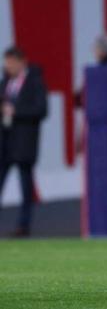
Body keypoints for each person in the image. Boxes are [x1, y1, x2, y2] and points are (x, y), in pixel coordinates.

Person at [0, 47, 48, 237]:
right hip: (5, 141)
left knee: (25, 185)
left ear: (21, 62)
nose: (8, 67)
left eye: (11, 63)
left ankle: (23, 225)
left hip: (24, 143)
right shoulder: (6, 82)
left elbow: (41, 109)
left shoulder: (34, 81)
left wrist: (16, 111)